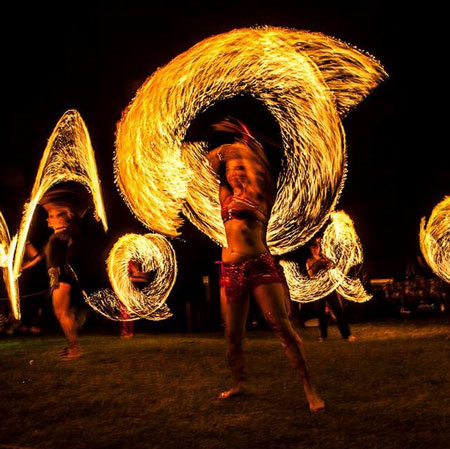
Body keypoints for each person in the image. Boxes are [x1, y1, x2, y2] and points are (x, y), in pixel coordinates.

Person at [207, 118, 324, 412]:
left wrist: (244, 139)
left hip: (258, 265)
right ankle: (239, 382)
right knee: (232, 335)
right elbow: (210, 163)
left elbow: (255, 164)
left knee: (281, 327)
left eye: (240, 170)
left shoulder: (259, 193)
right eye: (232, 171)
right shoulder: (225, 195)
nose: (236, 174)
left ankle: (310, 389)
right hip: (229, 270)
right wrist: (227, 149)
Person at [22, 184, 90, 360]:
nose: (47, 219)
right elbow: (38, 258)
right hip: (56, 276)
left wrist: (68, 212)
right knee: (62, 313)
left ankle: (75, 349)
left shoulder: (65, 235)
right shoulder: (52, 238)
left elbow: (72, 239)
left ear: (62, 220)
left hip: (61, 276)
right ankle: (74, 343)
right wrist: (26, 245)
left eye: (52, 216)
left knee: (62, 313)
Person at [306, 237, 356, 342]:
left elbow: (333, 266)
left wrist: (325, 258)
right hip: (319, 290)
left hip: (330, 288)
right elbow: (311, 275)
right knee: (321, 313)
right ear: (311, 249)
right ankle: (323, 336)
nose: (315, 249)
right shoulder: (309, 261)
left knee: (338, 311)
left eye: (317, 247)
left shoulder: (324, 258)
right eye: (313, 248)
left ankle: (347, 334)